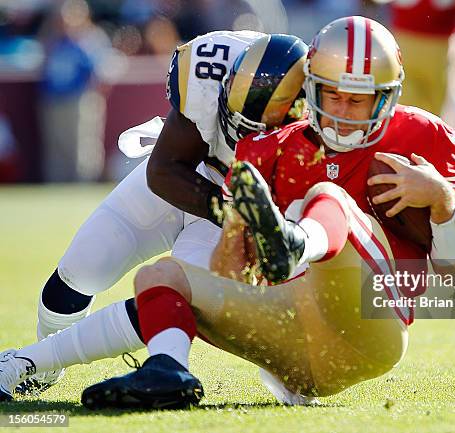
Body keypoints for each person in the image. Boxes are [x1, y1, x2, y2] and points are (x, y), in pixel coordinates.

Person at [75, 16, 455, 409]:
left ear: (387, 97)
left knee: (329, 199)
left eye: (358, 100)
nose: (343, 111)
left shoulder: (423, 136)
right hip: (285, 336)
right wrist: (237, 231)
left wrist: (442, 201)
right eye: (332, 95)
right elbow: (231, 277)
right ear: (309, 90)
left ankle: (296, 243)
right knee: (160, 275)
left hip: (365, 330)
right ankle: (160, 371)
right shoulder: (269, 147)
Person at [3, 31, 308, 396]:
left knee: (174, 294)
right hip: (192, 177)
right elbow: (163, 171)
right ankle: (41, 367)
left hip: (248, 206)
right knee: (80, 270)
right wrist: (231, 211)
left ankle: (38, 363)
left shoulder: (320, 118)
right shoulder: (209, 68)